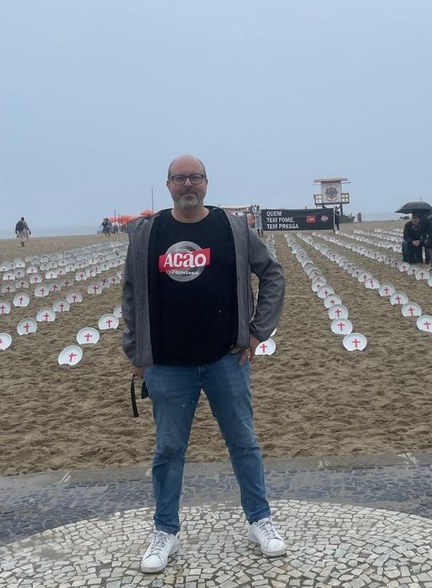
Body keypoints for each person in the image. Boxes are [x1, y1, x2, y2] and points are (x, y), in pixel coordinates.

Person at [122, 154, 287, 574]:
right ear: (168, 185)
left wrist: (257, 332)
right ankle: (165, 530)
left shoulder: (232, 229)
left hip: (225, 359)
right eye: (180, 178)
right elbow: (129, 293)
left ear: (207, 183)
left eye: (195, 177)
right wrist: (136, 351)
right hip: (167, 365)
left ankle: (259, 519)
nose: (188, 184)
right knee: (169, 449)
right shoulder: (148, 232)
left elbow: (272, 274)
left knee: (243, 442)